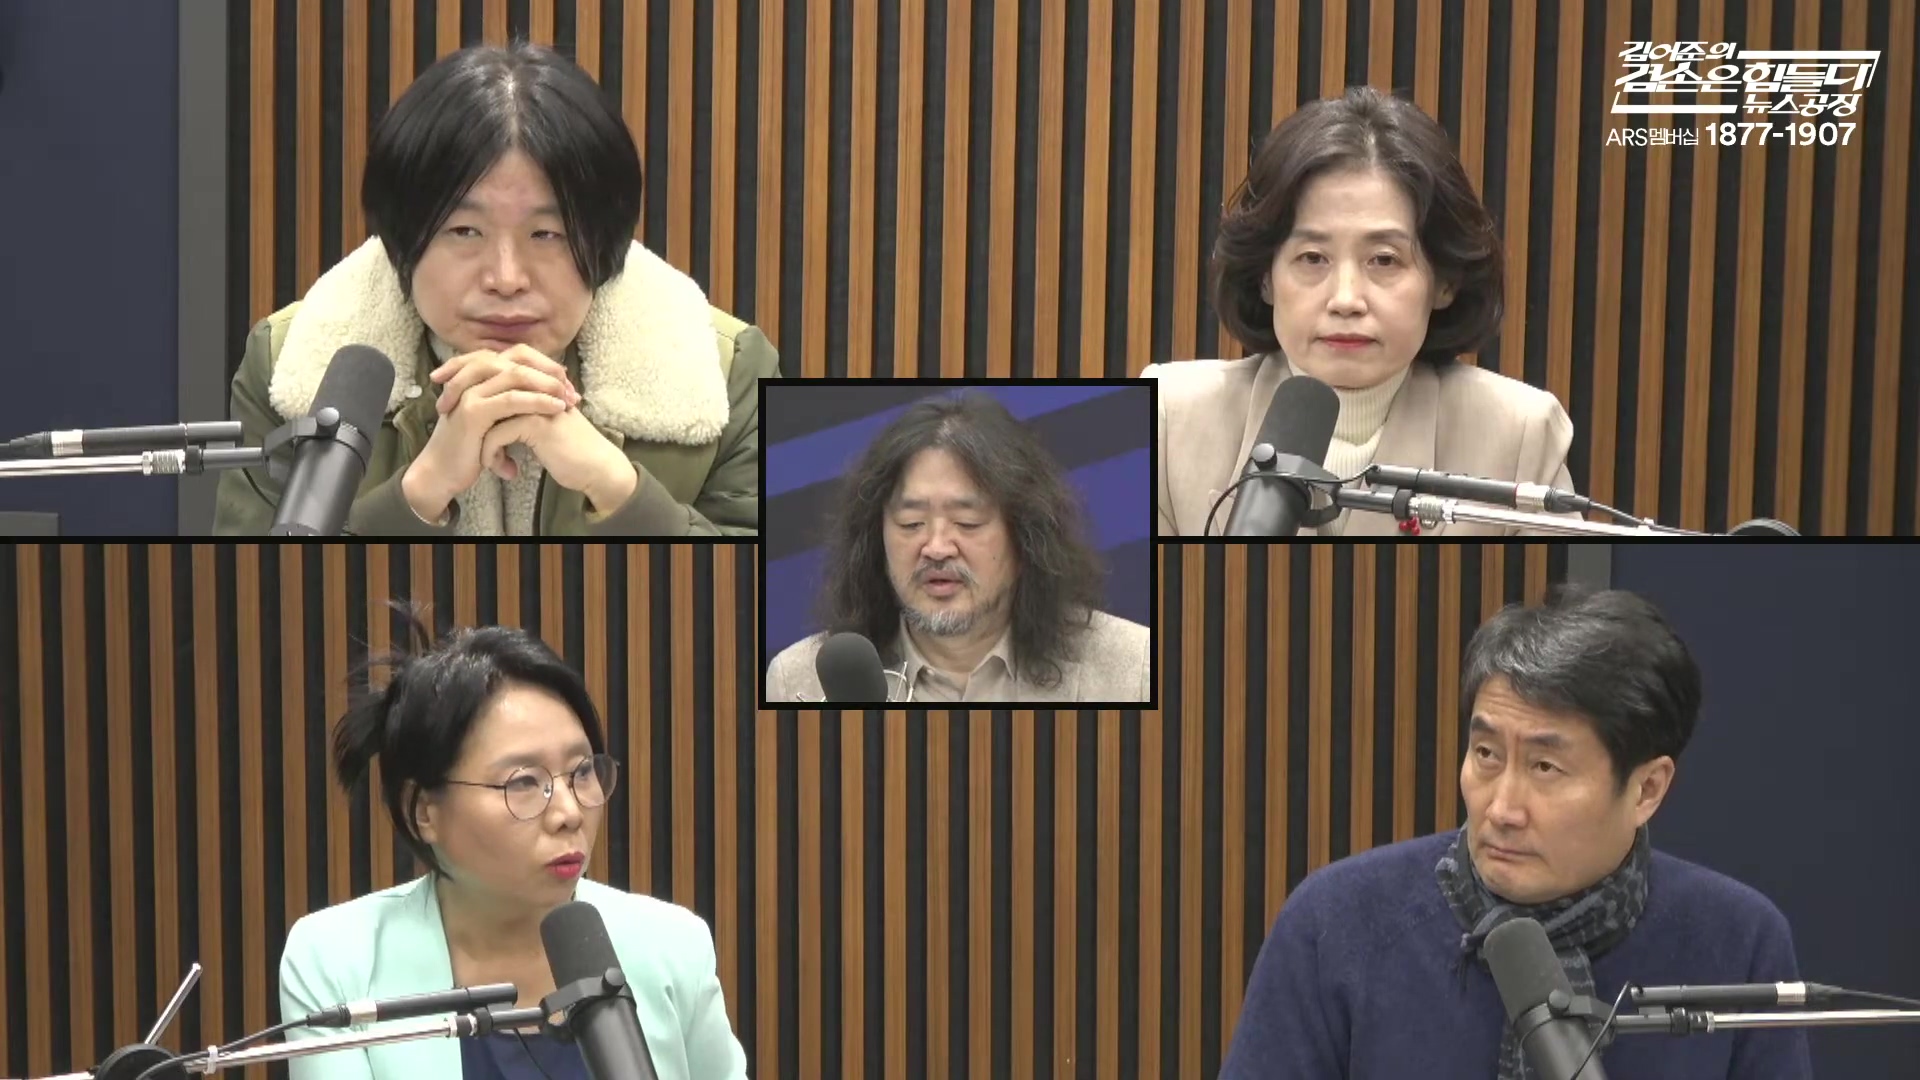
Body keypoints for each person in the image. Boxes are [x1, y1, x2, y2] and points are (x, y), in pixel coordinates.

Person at [1220, 587, 1812, 1079]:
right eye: (1485, 754)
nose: (1502, 808)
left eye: (1545, 767)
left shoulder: (1737, 941)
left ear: (1646, 789)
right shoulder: (1337, 923)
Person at [214, 42, 776, 536]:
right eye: (464, 231)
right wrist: (420, 493)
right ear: (400, 241)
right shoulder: (292, 366)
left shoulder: (725, 372)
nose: (506, 279)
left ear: (610, 243)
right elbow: (255, 595)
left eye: (548, 233)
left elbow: (775, 597)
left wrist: (614, 485)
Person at [279, 617, 748, 1079]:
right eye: (523, 782)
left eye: (582, 772)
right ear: (424, 811)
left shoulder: (671, 945)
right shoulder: (339, 960)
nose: (569, 812)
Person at [1146, 86, 1574, 537]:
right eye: (1313, 258)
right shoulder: (1167, 418)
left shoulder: (1520, 434)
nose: (1346, 299)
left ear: (1444, 281)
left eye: (1384, 260)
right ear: (1266, 277)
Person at [764, 393, 1151, 704]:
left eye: (967, 523)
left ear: (1026, 537)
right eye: (911, 523)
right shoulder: (798, 679)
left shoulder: (1134, 671)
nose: (936, 548)